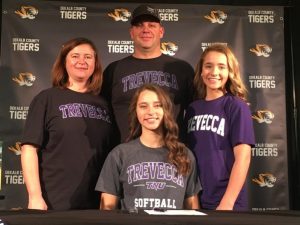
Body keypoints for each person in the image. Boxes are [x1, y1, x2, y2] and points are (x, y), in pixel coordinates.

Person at [20, 37, 115, 210]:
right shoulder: (46, 99)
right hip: (54, 202)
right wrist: (35, 197)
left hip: (96, 205)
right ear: (64, 62)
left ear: (95, 63)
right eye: (75, 56)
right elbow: (29, 149)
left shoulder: (105, 104)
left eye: (88, 57)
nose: (82, 61)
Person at [95, 84, 201, 210]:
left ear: (166, 110)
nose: (150, 112)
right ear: (136, 111)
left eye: (157, 105)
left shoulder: (184, 155)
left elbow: (192, 208)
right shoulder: (119, 155)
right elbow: (107, 208)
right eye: (143, 106)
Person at [101, 4, 194, 142]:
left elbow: (197, 114)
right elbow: (102, 118)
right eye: (139, 25)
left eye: (152, 25)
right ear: (131, 32)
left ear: (161, 32)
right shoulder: (114, 70)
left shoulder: (182, 69)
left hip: (171, 155)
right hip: (126, 157)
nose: (146, 30)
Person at [184, 44, 255, 210]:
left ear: (230, 72)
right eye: (208, 66)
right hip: (197, 199)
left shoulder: (236, 106)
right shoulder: (193, 109)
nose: (214, 72)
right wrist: (192, 199)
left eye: (221, 67)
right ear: (201, 71)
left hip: (227, 201)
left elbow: (243, 158)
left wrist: (227, 202)